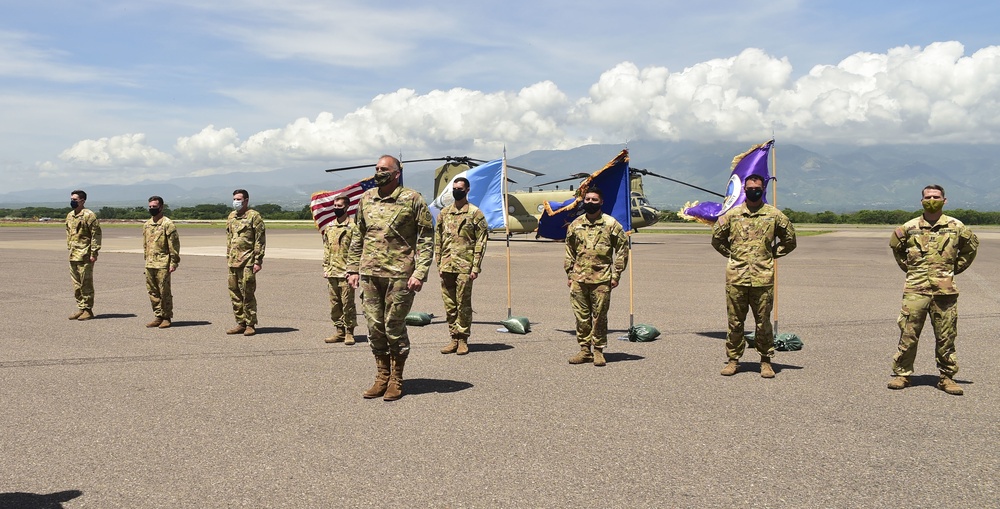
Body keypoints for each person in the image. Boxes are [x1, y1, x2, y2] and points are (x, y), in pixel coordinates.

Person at [347, 155, 434, 401]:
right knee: (374, 328)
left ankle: (396, 378)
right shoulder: (366, 198)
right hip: (370, 274)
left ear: (397, 173)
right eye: (376, 168)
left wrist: (420, 272)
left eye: (384, 169)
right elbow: (358, 235)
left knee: (393, 327)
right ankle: (381, 376)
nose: (378, 172)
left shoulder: (412, 199)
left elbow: (427, 238)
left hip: (399, 275)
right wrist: (352, 268)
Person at [887, 184, 978, 395]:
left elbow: (970, 248)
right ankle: (902, 374)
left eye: (936, 196)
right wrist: (912, 271)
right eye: (928, 197)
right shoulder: (908, 227)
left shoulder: (957, 226)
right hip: (915, 290)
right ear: (921, 201)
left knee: (946, 335)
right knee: (908, 333)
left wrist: (953, 269)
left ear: (944, 200)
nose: (931, 199)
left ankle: (947, 377)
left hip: (944, 291)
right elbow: (898, 251)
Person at [711, 174, 796, 378]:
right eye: (749, 188)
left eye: (757, 188)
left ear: (763, 189)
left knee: (763, 322)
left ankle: (766, 361)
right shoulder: (732, 215)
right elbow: (716, 239)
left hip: (762, 278)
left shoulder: (774, 215)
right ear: (745, 190)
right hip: (736, 278)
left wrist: (772, 253)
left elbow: (790, 240)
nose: (753, 191)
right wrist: (732, 255)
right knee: (735, 322)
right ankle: (733, 360)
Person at [564, 187, 629, 367]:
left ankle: (598, 350)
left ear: (601, 202)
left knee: (599, 316)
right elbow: (569, 251)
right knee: (581, 316)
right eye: (587, 199)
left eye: (594, 200)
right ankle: (585, 350)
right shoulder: (575, 224)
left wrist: (616, 275)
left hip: (602, 278)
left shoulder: (611, 224)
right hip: (579, 278)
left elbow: (623, 250)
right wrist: (570, 273)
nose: (590, 202)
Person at [435, 177, 489, 356]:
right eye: (454, 188)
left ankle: (463, 339)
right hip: (446, 265)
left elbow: (481, 242)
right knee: (450, 305)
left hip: (465, 267)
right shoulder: (444, 213)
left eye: (460, 188)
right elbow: (438, 240)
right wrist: (438, 263)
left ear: (467, 190)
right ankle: (453, 338)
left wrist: (476, 267)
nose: (456, 191)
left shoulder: (475, 213)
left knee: (463, 304)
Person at [225, 189, 266, 336]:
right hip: (233, 262)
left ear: (246, 200)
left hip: (248, 261)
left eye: (239, 199)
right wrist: (228, 256)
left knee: (247, 293)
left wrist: (258, 260)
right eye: (234, 198)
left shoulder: (254, 216)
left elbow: (259, 240)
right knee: (234, 293)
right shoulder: (232, 216)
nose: (236, 201)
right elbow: (229, 239)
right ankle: (240, 322)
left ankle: (250, 324)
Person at [322, 195, 358, 345]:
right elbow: (327, 249)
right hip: (332, 271)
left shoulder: (353, 227)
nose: (336, 208)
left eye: (339, 206)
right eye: (335, 206)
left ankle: (349, 332)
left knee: (347, 303)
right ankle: (339, 331)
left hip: (345, 272)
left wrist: (353, 270)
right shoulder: (330, 227)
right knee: (335, 304)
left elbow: (356, 250)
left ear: (347, 207)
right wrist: (325, 267)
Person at [142, 196, 180, 328]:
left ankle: (167, 317)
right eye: (150, 207)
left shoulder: (167, 224)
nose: (152, 209)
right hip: (150, 263)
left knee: (164, 292)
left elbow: (173, 245)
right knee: (152, 291)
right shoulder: (147, 225)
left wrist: (173, 262)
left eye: (155, 206)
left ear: (161, 207)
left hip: (163, 263)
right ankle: (158, 315)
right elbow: (145, 244)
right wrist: (146, 259)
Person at [66, 189, 102, 321]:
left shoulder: (89, 215)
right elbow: (68, 233)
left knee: (85, 283)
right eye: (71, 199)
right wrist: (69, 247)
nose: (72, 201)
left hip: (85, 254)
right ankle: (81, 307)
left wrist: (94, 252)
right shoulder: (70, 215)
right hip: (73, 254)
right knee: (76, 284)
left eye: (75, 199)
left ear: (82, 200)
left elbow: (96, 235)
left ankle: (88, 309)